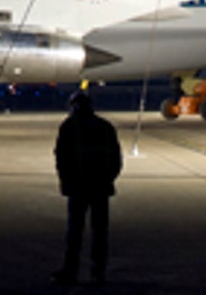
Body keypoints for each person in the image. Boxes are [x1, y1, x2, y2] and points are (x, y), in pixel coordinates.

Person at [51, 91, 122, 285]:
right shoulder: (105, 126)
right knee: (100, 232)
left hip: (79, 187)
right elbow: (116, 158)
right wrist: (108, 179)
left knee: (75, 232)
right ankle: (98, 272)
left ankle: (70, 270)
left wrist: (66, 182)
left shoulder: (70, 126)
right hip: (101, 187)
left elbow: (61, 158)